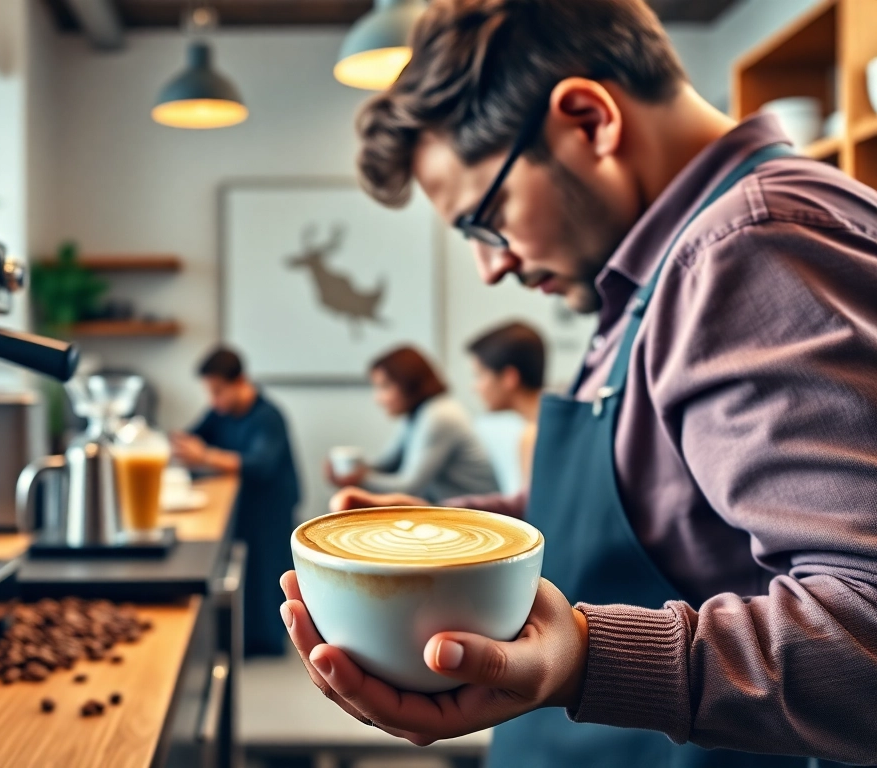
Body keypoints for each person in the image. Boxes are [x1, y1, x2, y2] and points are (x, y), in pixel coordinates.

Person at [280, 0, 877, 765]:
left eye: (488, 219)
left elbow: (862, 627)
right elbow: (655, 508)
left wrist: (587, 656)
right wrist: (446, 536)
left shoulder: (751, 251)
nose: (492, 266)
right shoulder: (655, 274)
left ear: (589, 120)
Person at [171, 346, 300, 657]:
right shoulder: (220, 412)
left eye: (218, 392)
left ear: (240, 381)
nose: (213, 401)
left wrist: (206, 456)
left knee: (266, 573)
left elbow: (260, 464)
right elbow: (194, 435)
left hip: (270, 507)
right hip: (242, 504)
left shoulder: (268, 416)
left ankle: (268, 643)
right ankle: (243, 637)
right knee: (246, 572)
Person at [326, 346, 498, 502]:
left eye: (384, 387)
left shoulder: (439, 415)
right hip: (446, 506)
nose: (377, 398)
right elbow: (388, 464)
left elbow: (409, 487)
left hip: (473, 513)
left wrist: (359, 479)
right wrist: (352, 470)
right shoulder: (417, 414)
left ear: (408, 383)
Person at [466, 322, 546, 486]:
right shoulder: (549, 423)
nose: (475, 388)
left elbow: (530, 509)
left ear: (510, 378)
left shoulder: (534, 436)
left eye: (480, 375)